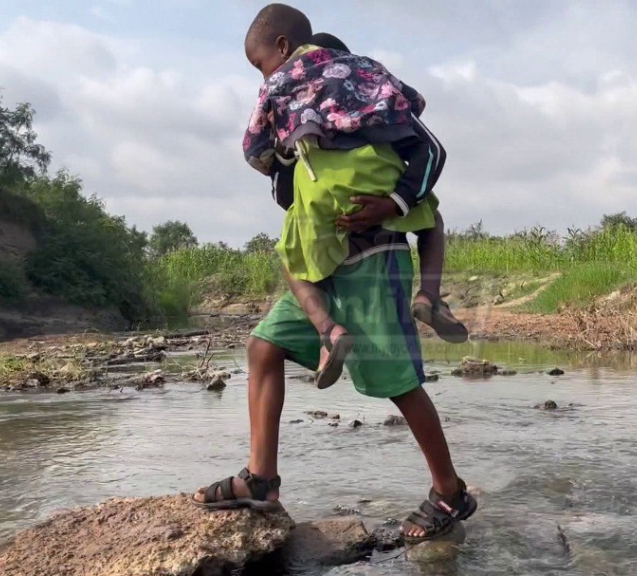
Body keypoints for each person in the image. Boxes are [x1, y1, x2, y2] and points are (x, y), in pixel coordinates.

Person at [191, 3, 478, 544]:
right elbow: (281, 188)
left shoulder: (370, 104)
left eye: (263, 67)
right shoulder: (304, 129)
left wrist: (390, 202)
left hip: (375, 256)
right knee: (263, 347)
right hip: (322, 262)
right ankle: (261, 478)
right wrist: (293, 168)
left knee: (396, 381)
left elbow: (431, 151)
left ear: (286, 51)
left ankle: (449, 491)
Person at [268, 30, 466, 388]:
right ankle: (429, 296)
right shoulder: (375, 104)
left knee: (290, 250)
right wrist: (395, 201)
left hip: (320, 226)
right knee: (431, 216)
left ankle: (327, 329)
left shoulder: (295, 120)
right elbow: (432, 151)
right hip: (378, 211)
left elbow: (282, 195)